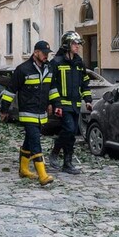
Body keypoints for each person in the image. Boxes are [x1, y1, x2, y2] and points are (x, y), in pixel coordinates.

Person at [0, 41, 56, 186]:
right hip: (27, 112)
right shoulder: (22, 69)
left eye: (47, 53)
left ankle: (23, 169)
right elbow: (10, 91)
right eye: (44, 53)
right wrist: (4, 109)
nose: (46, 56)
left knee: (29, 140)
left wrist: (52, 104)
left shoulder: (48, 68)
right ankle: (42, 175)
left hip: (41, 112)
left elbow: (51, 89)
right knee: (35, 141)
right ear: (36, 52)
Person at [48, 31, 93, 174]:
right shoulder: (56, 62)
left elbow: (84, 83)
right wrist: (56, 104)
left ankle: (68, 163)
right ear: (67, 44)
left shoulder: (79, 63)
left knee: (72, 133)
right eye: (75, 43)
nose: (77, 46)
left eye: (78, 44)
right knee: (68, 129)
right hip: (63, 104)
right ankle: (55, 152)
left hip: (76, 105)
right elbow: (51, 85)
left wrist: (88, 100)